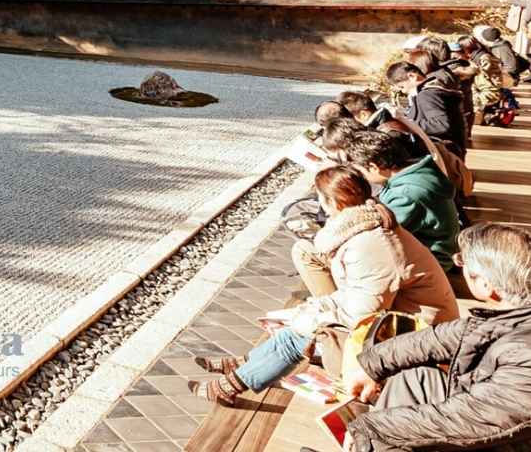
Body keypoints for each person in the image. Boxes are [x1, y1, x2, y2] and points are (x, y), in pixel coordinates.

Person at [191, 166, 458, 406]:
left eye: (321, 198)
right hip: (403, 324)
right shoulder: (366, 226)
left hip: (416, 341)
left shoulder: (371, 244)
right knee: (303, 320)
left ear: (333, 202)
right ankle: (245, 366)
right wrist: (316, 308)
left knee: (300, 334)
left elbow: (363, 312)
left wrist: (316, 314)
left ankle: (232, 384)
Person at [340, 222, 531, 452]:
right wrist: (370, 365)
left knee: (395, 431)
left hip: (517, 439)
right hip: (502, 421)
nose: (459, 265)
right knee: (416, 379)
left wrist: (372, 427)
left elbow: (469, 420)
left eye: (462, 262)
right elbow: (442, 337)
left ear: (487, 286)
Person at [346, 129, 460, 266]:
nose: (363, 178)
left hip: (434, 260)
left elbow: (383, 234)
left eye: (362, 172)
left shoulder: (405, 194)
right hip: (440, 250)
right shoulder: (419, 173)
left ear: (373, 167)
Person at [386, 61, 468, 158]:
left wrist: (407, 125)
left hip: (442, 153)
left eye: (401, 87)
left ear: (412, 76)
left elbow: (440, 124)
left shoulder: (427, 95)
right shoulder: (430, 91)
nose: (403, 91)